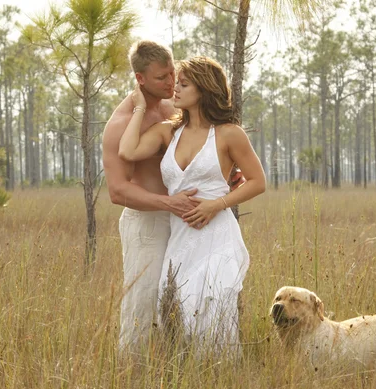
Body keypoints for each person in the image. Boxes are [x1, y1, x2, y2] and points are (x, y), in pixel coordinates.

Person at [118, 56, 266, 355]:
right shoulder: (167, 132)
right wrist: (139, 108)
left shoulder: (229, 133)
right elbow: (128, 150)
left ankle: (223, 373)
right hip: (180, 239)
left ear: (204, 89)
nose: (176, 89)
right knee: (178, 305)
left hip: (217, 235)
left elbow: (257, 181)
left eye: (184, 84)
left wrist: (216, 204)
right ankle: (187, 374)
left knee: (213, 303)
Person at [102, 41, 197, 352]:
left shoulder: (173, 108)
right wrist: (168, 203)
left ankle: (174, 374)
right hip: (146, 224)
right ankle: (130, 377)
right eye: (161, 78)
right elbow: (118, 190)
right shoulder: (121, 124)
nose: (171, 83)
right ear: (140, 79)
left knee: (181, 301)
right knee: (141, 304)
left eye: (172, 73)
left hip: (181, 219)